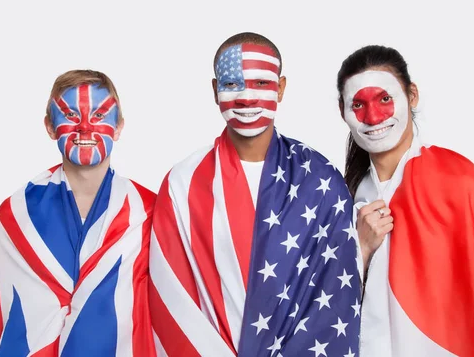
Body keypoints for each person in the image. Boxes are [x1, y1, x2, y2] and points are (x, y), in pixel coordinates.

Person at [337, 45, 474, 357]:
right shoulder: (341, 198)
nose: (374, 117)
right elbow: (325, 307)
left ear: (411, 96)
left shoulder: (462, 184)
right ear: (342, 110)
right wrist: (359, 250)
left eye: (385, 99)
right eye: (358, 104)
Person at [149, 32, 361, 357]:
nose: (246, 98)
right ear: (214, 89)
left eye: (261, 84)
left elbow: (333, 293)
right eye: (233, 84)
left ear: (281, 87)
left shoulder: (321, 178)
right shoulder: (182, 182)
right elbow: (172, 296)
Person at [0, 70, 156, 357]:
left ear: (118, 127)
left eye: (98, 116)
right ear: (49, 127)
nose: (84, 128)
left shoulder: (148, 212)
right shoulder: (17, 214)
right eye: (69, 116)